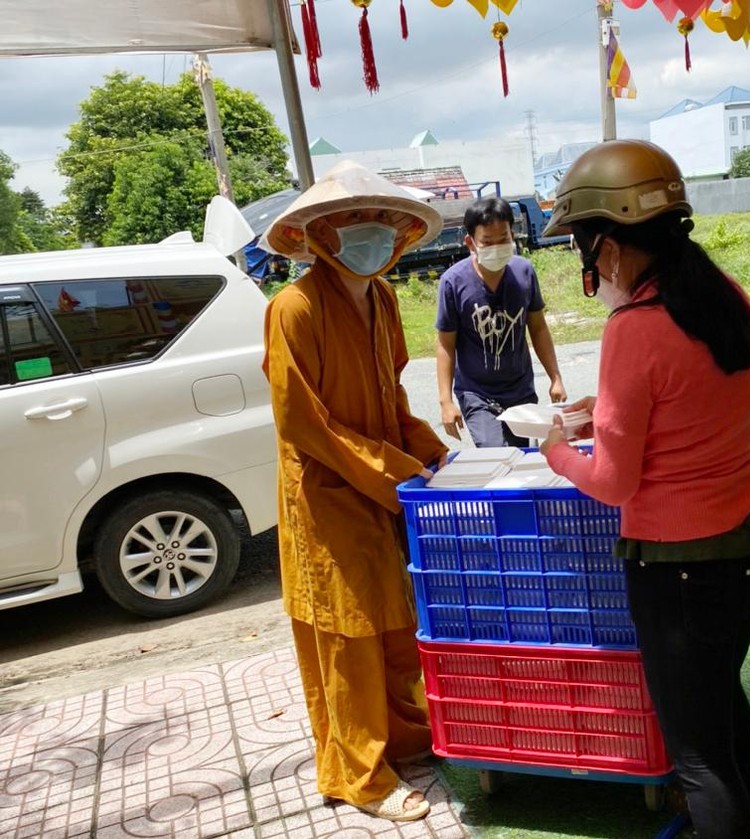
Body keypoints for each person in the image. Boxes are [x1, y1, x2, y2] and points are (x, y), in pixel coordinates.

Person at [538, 140, 750, 839]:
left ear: (609, 248)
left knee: (697, 754)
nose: (589, 267)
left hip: (683, 572)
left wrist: (558, 451)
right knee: (721, 689)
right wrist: (608, 408)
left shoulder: (634, 329)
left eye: (585, 251)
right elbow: (694, 401)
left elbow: (612, 480)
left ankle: (737, 823)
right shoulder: (725, 297)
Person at [260, 160, 449, 823]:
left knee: (393, 622)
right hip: (325, 496)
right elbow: (303, 421)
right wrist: (394, 470)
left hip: (376, 484)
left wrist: (431, 453)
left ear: (399, 234)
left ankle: (401, 739)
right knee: (347, 635)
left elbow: (389, 394)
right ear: (317, 234)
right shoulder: (294, 306)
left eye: (380, 221)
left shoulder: (385, 298)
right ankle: (358, 774)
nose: (369, 233)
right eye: (350, 221)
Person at [435, 196, 566, 447]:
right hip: (477, 393)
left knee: (517, 460)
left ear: (512, 234)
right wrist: (446, 401)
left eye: (503, 239)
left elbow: (538, 328)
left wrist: (555, 377)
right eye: (487, 242)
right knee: (495, 452)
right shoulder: (453, 282)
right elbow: (445, 345)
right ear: (470, 243)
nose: (497, 247)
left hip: (519, 391)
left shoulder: (524, 272)